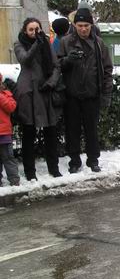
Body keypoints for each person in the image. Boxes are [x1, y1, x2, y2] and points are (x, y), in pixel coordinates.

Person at [56, 8, 113, 173]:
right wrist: (68, 60)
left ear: (91, 25)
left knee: (92, 130)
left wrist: (106, 94)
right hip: (72, 94)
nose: (83, 29)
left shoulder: (99, 43)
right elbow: (57, 66)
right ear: (74, 25)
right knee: (72, 130)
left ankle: (93, 160)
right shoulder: (65, 42)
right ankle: (74, 161)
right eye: (80, 25)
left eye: (86, 25)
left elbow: (107, 70)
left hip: (92, 94)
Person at [13, 18, 64, 180]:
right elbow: (25, 59)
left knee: (50, 132)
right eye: (31, 29)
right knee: (28, 134)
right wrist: (38, 43)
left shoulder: (46, 43)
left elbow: (56, 66)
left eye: (37, 29)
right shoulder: (19, 44)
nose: (34, 32)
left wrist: (51, 83)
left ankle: (54, 168)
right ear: (25, 31)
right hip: (28, 93)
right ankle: (30, 172)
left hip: (45, 91)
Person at [0, 74, 20, 186]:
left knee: (8, 158)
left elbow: (11, 107)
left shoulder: (5, 94)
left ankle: (14, 181)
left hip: (4, 134)